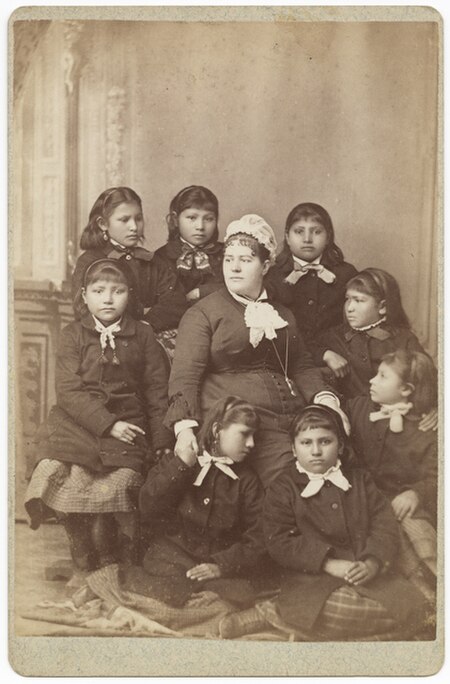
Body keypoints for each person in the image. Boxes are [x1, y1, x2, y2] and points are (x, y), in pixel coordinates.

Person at [166, 213, 346, 488]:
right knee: (294, 477)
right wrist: (184, 429)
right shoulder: (203, 313)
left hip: (292, 416)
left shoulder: (281, 312)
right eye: (229, 259)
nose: (234, 268)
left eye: (245, 260)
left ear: (265, 266)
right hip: (241, 424)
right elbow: (185, 377)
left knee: (338, 462)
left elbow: (301, 365)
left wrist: (326, 401)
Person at [219, 404, 428, 640]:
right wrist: (327, 563)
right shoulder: (283, 488)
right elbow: (279, 541)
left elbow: (384, 525)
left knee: (418, 608)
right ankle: (271, 614)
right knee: (336, 610)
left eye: (325, 441)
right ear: (294, 448)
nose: (316, 451)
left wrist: (372, 562)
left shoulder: (360, 480)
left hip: (367, 576)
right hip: (312, 582)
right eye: (306, 443)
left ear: (339, 445)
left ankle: (283, 621)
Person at [25, 259, 173, 584]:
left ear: (129, 295)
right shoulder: (73, 335)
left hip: (128, 426)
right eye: (99, 291)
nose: (108, 299)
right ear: (85, 295)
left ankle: (106, 554)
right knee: (54, 471)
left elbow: (156, 392)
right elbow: (68, 391)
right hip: (75, 427)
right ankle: (80, 548)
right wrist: (107, 424)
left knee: (119, 483)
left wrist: (162, 441)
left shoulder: (142, 335)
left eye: (117, 291)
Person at [138, 396, 270, 608]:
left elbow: (260, 534)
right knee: (165, 590)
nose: (251, 444)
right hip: (172, 560)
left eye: (254, 436)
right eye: (244, 434)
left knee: (239, 594)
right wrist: (181, 466)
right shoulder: (179, 460)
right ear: (218, 430)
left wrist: (222, 565)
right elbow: (148, 507)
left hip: (215, 565)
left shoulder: (247, 481)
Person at [347, 350, 438, 599]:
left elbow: (438, 474)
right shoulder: (360, 408)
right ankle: (422, 584)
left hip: (400, 503)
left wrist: (416, 492)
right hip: (364, 502)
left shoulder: (427, 429)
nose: (372, 381)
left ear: (407, 389)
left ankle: (436, 573)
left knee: (411, 520)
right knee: (389, 522)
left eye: (382, 376)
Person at [71, 187, 187, 333]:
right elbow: (83, 310)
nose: (134, 227)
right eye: (124, 220)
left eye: (138, 219)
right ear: (103, 224)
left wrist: (146, 324)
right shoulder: (90, 261)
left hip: (148, 336)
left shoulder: (152, 260)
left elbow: (176, 302)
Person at [316, 267, 427, 398]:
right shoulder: (334, 336)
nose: (349, 308)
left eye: (359, 300)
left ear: (382, 307)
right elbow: (304, 352)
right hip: (350, 413)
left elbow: (425, 383)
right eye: (348, 299)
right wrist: (325, 354)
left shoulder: (403, 339)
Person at [266, 202, 357, 353]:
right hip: (288, 357)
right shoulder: (272, 276)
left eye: (316, 232)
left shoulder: (346, 274)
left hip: (340, 355)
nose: (307, 239)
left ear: (328, 237)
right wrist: (321, 355)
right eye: (299, 232)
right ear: (288, 237)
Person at [153, 185, 224, 304]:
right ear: (176, 219)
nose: (200, 227)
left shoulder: (227, 253)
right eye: (192, 218)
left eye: (208, 219)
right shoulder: (161, 257)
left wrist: (201, 292)